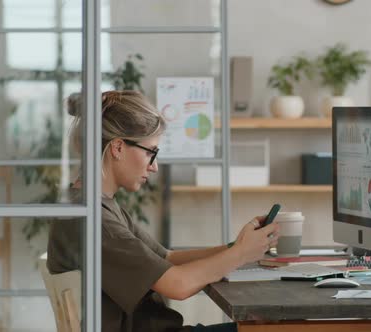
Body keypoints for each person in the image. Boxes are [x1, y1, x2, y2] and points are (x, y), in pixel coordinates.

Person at [47, 90, 279, 332]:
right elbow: (177, 285)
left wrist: (238, 246)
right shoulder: (93, 220)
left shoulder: (95, 206)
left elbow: (166, 258)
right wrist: (240, 254)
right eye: (150, 152)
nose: (155, 166)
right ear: (117, 147)